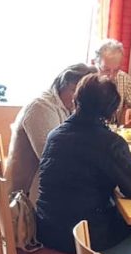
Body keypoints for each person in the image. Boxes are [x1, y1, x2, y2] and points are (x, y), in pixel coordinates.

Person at [36, 74, 131, 254]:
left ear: (75, 101)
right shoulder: (110, 143)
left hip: (48, 227)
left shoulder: (56, 134)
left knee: (121, 224)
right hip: (82, 235)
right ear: (112, 112)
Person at [6, 63, 96, 199]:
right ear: (62, 85)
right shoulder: (42, 107)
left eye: (81, 94)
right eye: (73, 90)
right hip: (25, 197)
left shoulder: (65, 107)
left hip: (42, 190)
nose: (76, 98)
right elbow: (52, 160)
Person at [92, 39, 131, 127]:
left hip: (112, 133)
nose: (111, 76)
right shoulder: (84, 80)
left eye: (116, 70)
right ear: (95, 63)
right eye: (106, 70)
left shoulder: (124, 79)